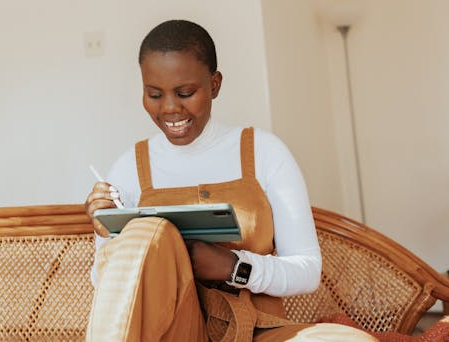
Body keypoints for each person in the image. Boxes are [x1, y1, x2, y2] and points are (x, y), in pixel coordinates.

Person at [84, 19, 375, 342]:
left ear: (215, 84)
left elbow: (307, 271)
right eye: (154, 94)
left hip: (259, 331)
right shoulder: (127, 168)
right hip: (172, 334)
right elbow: (110, 298)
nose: (169, 108)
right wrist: (112, 237)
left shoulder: (265, 151)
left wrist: (234, 266)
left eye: (185, 92)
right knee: (145, 232)